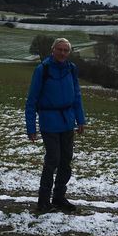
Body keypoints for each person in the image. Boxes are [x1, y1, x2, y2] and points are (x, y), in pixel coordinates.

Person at [24, 37, 86, 213]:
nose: (62, 53)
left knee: (66, 161)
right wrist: (31, 128)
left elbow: (77, 95)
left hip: (68, 121)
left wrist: (81, 120)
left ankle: (59, 197)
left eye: (66, 50)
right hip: (49, 122)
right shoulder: (42, 69)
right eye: (60, 49)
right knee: (53, 160)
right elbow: (32, 100)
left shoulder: (71, 69)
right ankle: (43, 200)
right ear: (53, 50)